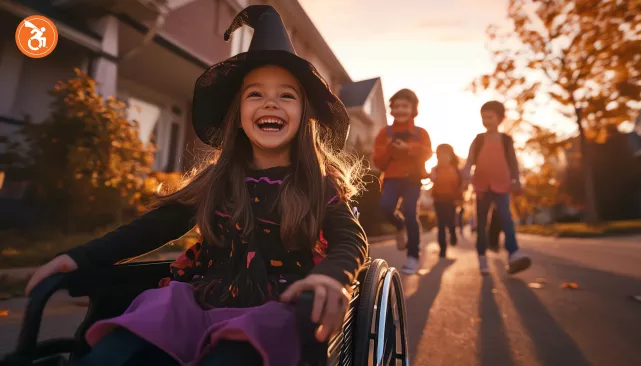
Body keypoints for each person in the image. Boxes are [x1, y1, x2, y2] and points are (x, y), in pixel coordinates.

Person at [24, 6, 368, 366]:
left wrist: (333, 276)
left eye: (286, 95)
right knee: (120, 349)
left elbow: (350, 237)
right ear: (237, 114)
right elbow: (152, 227)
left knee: (233, 354)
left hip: (276, 307)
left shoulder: (318, 182)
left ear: (304, 115)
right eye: (255, 94)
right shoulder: (217, 179)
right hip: (201, 297)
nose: (270, 102)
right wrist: (80, 257)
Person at [462, 101, 531, 275]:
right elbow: (469, 160)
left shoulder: (506, 140)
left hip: (503, 185)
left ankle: (513, 253)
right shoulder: (478, 139)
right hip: (481, 186)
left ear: (499, 119)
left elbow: (513, 162)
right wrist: (465, 176)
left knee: (506, 218)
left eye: (490, 117)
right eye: (483, 117)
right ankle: (482, 256)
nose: (486, 120)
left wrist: (516, 180)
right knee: (482, 222)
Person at [372, 89, 433, 274]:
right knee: (385, 207)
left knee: (410, 212)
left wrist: (408, 148)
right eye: (396, 106)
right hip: (391, 178)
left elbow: (428, 153)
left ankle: (413, 255)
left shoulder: (420, 133)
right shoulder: (385, 133)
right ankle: (400, 226)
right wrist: (390, 150)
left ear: (413, 109)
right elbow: (378, 161)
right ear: (391, 109)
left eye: (405, 106)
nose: (400, 110)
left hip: (413, 179)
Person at [430, 144, 463, 258]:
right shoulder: (435, 169)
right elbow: (432, 178)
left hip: (451, 200)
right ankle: (442, 249)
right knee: (440, 225)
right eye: (440, 155)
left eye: (446, 155)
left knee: (450, 221)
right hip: (438, 200)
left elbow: (460, 184)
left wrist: (459, 196)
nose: (443, 157)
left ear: (450, 156)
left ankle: (453, 233)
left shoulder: (455, 170)